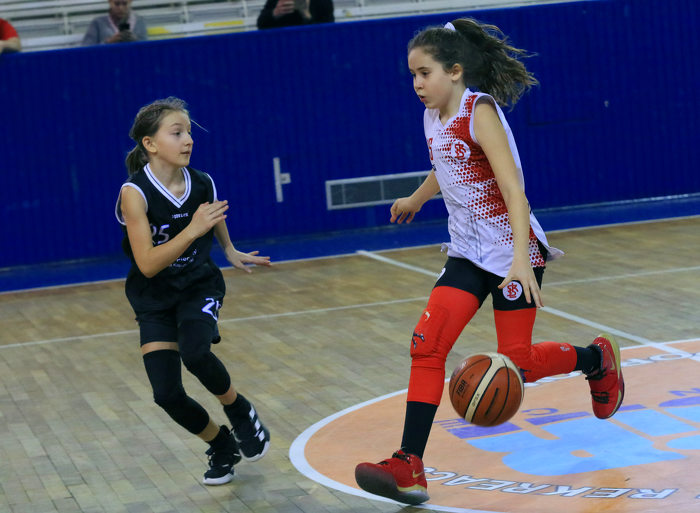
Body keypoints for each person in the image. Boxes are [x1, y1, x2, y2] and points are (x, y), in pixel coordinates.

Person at [354, 18, 625, 505]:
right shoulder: (432, 115)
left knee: (518, 363)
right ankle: (408, 464)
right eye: (412, 75)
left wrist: (521, 260)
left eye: (425, 73)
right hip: (467, 253)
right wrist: (417, 197)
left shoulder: (479, 112)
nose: (417, 84)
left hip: (511, 251)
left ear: (455, 71)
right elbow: (446, 164)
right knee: (426, 347)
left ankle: (596, 359)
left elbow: (514, 191)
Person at [115, 97, 272, 485]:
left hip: (197, 285)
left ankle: (238, 410)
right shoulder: (134, 193)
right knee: (166, 394)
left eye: (188, 132)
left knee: (196, 352)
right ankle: (221, 444)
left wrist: (229, 249)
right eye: (177, 133)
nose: (188, 140)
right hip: (154, 296)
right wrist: (193, 230)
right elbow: (147, 263)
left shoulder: (202, 181)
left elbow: (211, 216)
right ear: (150, 144)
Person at [82, 0, 147, 46]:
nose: (121, 8)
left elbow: (146, 48)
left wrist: (135, 41)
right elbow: (86, 48)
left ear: (130, 2)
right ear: (110, 2)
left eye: (124, 4)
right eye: (117, 4)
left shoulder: (139, 21)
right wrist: (108, 42)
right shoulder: (97, 23)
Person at [256, 0, 334, 30]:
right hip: (284, 48)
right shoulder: (279, 1)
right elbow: (261, 24)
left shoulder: (322, 2)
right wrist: (275, 13)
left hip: (312, 51)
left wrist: (306, 14)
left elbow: (328, 32)